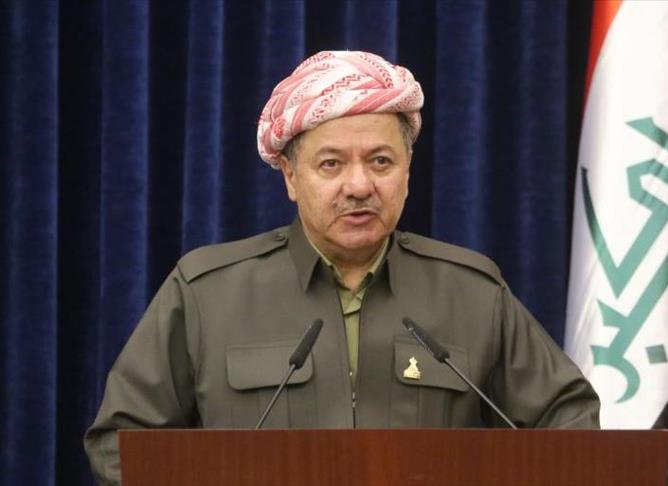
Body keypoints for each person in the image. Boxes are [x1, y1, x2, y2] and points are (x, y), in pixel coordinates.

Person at [84, 50, 599, 484]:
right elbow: (121, 446)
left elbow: (569, 423)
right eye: (331, 164)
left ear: (407, 172)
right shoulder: (206, 292)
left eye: (380, 162)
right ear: (290, 176)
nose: (358, 186)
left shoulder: (471, 292)